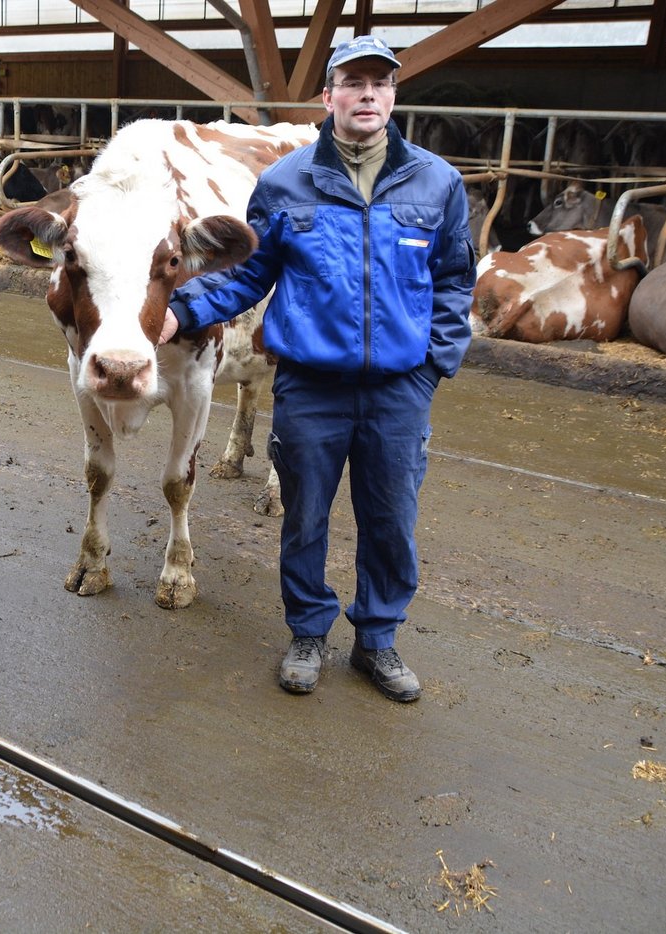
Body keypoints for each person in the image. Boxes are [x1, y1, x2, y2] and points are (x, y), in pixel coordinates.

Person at [159, 35, 475, 702]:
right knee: (304, 518)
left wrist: (433, 364)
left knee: (391, 521)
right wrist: (178, 311)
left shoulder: (437, 182)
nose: (368, 94)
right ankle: (308, 632)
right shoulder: (284, 183)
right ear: (326, 96)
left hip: (398, 389)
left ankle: (378, 642)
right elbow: (246, 274)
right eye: (353, 82)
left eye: (380, 83)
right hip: (310, 387)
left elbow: (453, 281)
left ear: (393, 95)